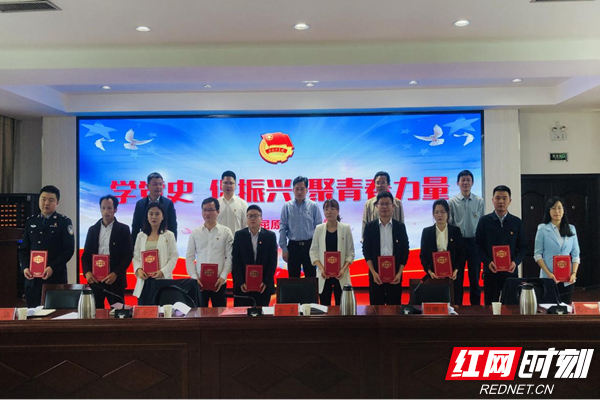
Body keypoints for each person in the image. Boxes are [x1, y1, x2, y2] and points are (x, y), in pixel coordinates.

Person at [19, 185, 75, 307]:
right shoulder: (31, 221)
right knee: (33, 313)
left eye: (51, 200)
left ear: (57, 203)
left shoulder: (64, 222)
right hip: (32, 279)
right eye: (43, 199)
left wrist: (52, 267)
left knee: (55, 312)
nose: (46, 203)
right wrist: (25, 268)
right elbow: (23, 249)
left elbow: (69, 250)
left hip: (55, 277)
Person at [475, 185, 527, 305]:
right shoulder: (484, 221)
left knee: (511, 306)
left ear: (510, 201)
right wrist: (488, 262)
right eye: (497, 198)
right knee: (490, 306)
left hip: (510, 273)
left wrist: (515, 262)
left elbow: (523, 247)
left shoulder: (516, 222)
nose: (501, 201)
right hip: (490, 272)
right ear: (492, 200)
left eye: (504, 198)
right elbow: (478, 246)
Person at [81, 195, 133, 308]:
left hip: (115, 280)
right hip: (96, 280)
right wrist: (87, 273)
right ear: (100, 209)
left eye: (109, 208)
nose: (106, 211)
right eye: (103, 208)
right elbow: (86, 256)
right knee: (96, 313)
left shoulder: (123, 229)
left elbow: (128, 255)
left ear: (115, 209)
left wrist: (115, 273)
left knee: (118, 313)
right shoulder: (92, 230)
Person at [362, 191, 409, 305]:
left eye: (387, 203)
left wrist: (399, 273)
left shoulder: (400, 227)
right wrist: (373, 272)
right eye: (381, 204)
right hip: (376, 275)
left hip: (395, 275)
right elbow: (366, 250)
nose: (384, 207)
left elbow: (405, 251)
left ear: (393, 206)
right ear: (376, 206)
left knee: (394, 309)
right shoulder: (370, 227)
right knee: (376, 309)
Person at [186, 197, 233, 307]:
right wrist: (194, 277)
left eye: (211, 210)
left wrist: (223, 276)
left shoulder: (226, 232)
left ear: (218, 212)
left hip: (219, 282)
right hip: (199, 282)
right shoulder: (195, 233)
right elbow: (189, 257)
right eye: (205, 210)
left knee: (220, 314)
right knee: (199, 314)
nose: (207, 213)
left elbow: (230, 257)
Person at [534, 197, 580, 303]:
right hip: (548, 277)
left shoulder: (571, 229)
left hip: (567, 279)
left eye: (559, 208)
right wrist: (548, 273)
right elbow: (537, 255)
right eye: (553, 208)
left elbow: (576, 255)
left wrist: (574, 273)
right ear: (548, 211)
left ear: (564, 210)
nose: (557, 211)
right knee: (548, 308)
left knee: (565, 308)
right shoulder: (542, 229)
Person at [448, 170, 485, 305]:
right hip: (458, 243)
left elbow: (482, 223)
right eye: (462, 180)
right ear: (457, 183)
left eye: (468, 180)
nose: (465, 183)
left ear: (472, 183)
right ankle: (457, 306)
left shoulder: (479, 201)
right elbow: (450, 224)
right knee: (458, 278)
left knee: (474, 278)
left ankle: (475, 308)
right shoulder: (452, 202)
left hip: (474, 243)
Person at [309, 199, 355, 306]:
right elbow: (313, 252)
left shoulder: (345, 228)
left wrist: (343, 269)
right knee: (324, 306)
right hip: (324, 274)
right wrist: (321, 268)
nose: (329, 212)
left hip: (341, 274)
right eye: (326, 209)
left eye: (332, 209)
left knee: (341, 306)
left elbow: (350, 253)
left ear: (338, 211)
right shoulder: (319, 229)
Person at [231, 205, 278, 307]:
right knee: (242, 315)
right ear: (246, 218)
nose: (253, 219)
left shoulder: (270, 236)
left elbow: (272, 262)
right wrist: (241, 282)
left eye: (256, 216)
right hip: (243, 287)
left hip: (263, 287)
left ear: (261, 218)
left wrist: (265, 281)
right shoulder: (239, 235)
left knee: (262, 315)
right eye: (250, 216)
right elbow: (236, 261)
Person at [420, 200, 465, 302]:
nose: (439, 215)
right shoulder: (427, 232)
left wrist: (456, 270)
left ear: (448, 213)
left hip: (453, 276)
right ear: (433, 214)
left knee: (455, 302)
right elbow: (423, 255)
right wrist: (430, 271)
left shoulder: (455, 231)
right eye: (436, 212)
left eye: (442, 212)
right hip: (434, 276)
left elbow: (461, 254)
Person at [132, 203, 178, 303]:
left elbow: (173, 256)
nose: (154, 217)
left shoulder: (169, 235)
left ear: (163, 216)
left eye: (157, 214)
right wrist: (138, 270)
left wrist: (163, 271)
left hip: (162, 279)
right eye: (151, 214)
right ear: (147, 216)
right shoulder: (141, 235)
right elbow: (136, 257)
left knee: (162, 310)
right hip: (145, 281)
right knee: (144, 311)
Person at [279, 176, 323, 278]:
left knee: (311, 278)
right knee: (293, 280)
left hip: (310, 246)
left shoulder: (313, 206)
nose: (299, 192)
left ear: (307, 190)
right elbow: (283, 228)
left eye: (302, 189)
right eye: (297, 189)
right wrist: (284, 249)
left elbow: (319, 228)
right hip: (293, 247)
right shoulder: (287, 206)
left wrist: (318, 248)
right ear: (293, 190)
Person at [131, 172, 178, 243]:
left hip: (163, 241)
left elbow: (173, 226)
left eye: (160, 184)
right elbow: (135, 226)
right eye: (155, 184)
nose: (158, 187)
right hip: (145, 240)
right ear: (148, 186)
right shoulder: (140, 204)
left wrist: (172, 243)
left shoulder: (168, 203)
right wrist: (134, 246)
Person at [362, 171, 404, 238]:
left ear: (388, 184)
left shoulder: (397, 203)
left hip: (393, 240)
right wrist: (364, 239)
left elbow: (401, 223)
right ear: (374, 185)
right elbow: (365, 224)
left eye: (383, 182)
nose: (380, 185)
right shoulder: (368, 204)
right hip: (374, 241)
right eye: (378, 183)